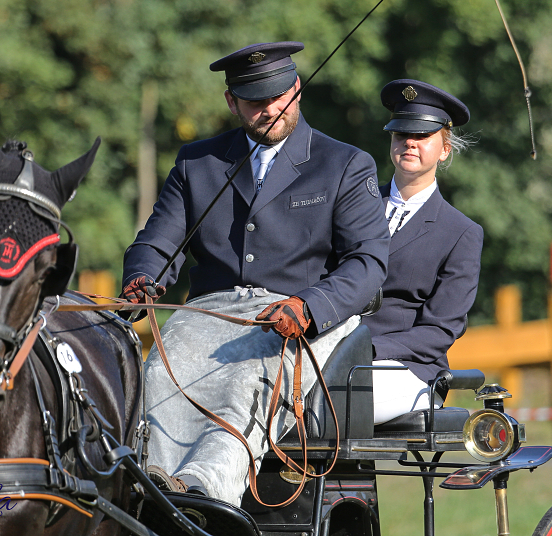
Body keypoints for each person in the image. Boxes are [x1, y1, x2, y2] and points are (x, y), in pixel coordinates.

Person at [120, 42, 389, 505]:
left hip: (297, 314)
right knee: (158, 374)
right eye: (254, 102)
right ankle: (154, 487)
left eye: (279, 97)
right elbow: (158, 241)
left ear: (297, 89)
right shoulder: (196, 162)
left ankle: (206, 496)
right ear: (231, 102)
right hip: (211, 312)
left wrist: (310, 305)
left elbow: (367, 262)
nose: (269, 110)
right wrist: (143, 279)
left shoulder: (344, 163)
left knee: (248, 381)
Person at [364, 79, 484, 425]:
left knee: (334, 401)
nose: (410, 143)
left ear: (445, 148)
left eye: (422, 136)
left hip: (406, 368)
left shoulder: (460, 233)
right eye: (401, 134)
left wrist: (366, 348)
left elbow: (439, 331)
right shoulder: (356, 208)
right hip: (329, 352)